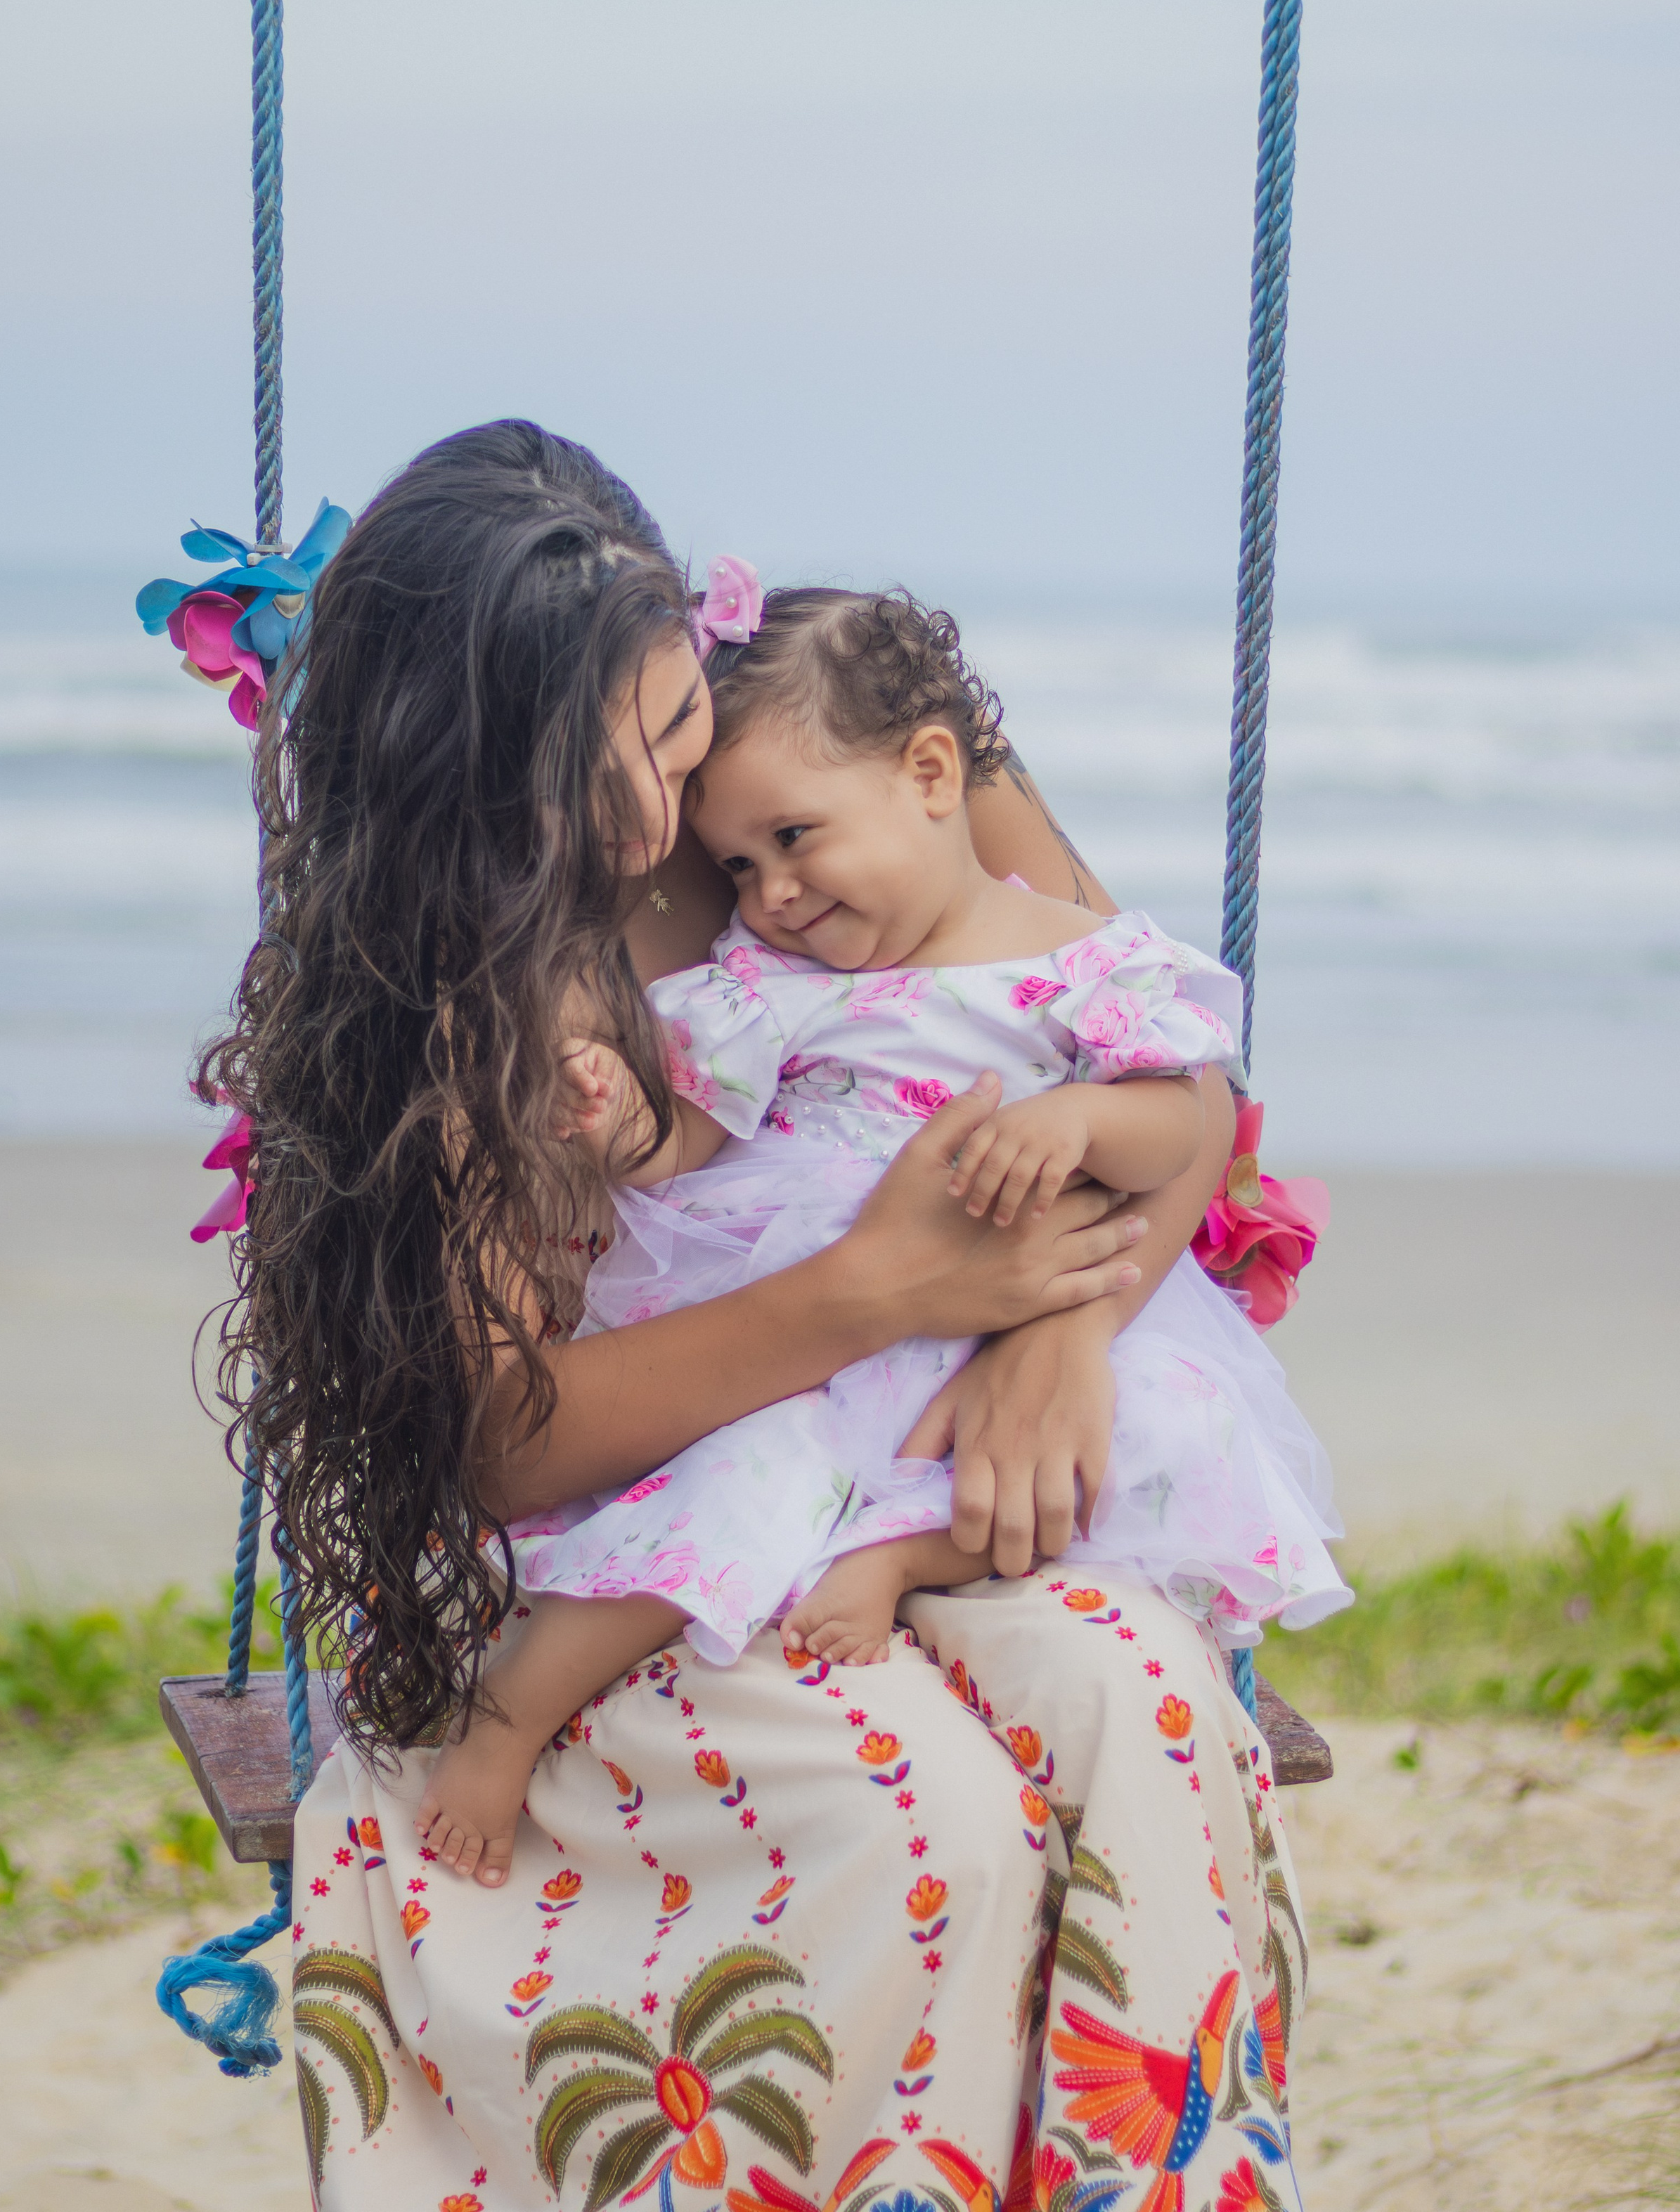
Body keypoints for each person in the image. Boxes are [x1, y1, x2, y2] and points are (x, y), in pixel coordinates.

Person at [214, 421, 1311, 2212]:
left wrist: (1055, 1323)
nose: (672, 814)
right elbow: (500, 1441)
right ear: (475, 768)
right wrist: (873, 1290)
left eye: (673, 729)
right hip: (617, 1534)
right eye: (610, 768)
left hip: (904, 1439)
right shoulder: (451, 982)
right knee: (931, 1820)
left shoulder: (820, 768)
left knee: (1156, 1705)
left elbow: (1167, 1085)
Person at [414, 583, 1343, 1890]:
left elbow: (1179, 1124)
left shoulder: (1087, 964)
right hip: (818, 1313)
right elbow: (696, 1138)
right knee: (733, 1484)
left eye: (794, 842)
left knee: (1142, 1451)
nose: (772, 891)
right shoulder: (776, 985)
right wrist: (617, 1119)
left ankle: (900, 1551)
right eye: (740, 865)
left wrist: (1078, 1123)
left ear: (931, 773)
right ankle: (514, 1705)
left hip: (1008, 1315)